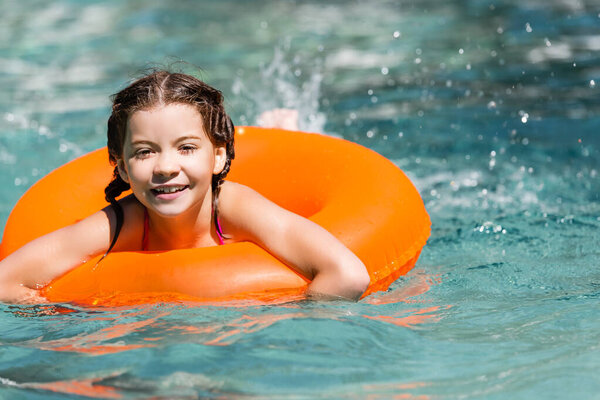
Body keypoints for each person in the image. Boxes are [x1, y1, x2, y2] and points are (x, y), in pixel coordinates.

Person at [0, 70, 370, 304]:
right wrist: (67, 314)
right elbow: (6, 282)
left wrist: (291, 325)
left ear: (218, 157)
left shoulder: (234, 209)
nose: (165, 167)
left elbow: (347, 274)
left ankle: (285, 131)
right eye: (144, 152)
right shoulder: (118, 224)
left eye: (187, 147)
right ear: (123, 168)